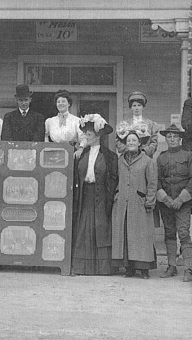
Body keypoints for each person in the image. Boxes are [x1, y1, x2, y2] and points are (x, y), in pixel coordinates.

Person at [71, 114, 117, 276]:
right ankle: (82, 267)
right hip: (85, 196)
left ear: (98, 136)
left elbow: (113, 178)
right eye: (85, 134)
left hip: (102, 196)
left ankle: (102, 268)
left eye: (89, 135)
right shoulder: (81, 154)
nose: (86, 137)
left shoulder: (109, 156)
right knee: (83, 227)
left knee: (101, 228)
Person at [111, 130, 157, 279]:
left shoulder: (148, 161)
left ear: (139, 143)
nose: (131, 143)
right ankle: (129, 267)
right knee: (126, 235)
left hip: (140, 204)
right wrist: (117, 194)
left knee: (141, 236)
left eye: (133, 140)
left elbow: (152, 183)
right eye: (128, 141)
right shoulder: (120, 160)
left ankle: (144, 269)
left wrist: (149, 201)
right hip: (123, 204)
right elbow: (116, 179)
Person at [156, 124, 192, 282]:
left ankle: (188, 269)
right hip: (166, 202)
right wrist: (166, 199)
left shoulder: (189, 155)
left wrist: (181, 199)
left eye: (175, 136)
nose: (172, 139)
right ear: (166, 138)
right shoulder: (161, 157)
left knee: (184, 233)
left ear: (180, 138)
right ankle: (171, 266)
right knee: (169, 233)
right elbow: (157, 180)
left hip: (183, 203)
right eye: (169, 136)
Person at [119, 91, 159, 157]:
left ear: (143, 107)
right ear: (130, 108)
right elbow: (119, 142)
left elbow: (154, 142)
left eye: (139, 105)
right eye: (134, 106)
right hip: (128, 156)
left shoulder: (151, 124)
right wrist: (128, 151)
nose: (137, 108)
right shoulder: (124, 124)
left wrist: (144, 152)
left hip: (145, 157)